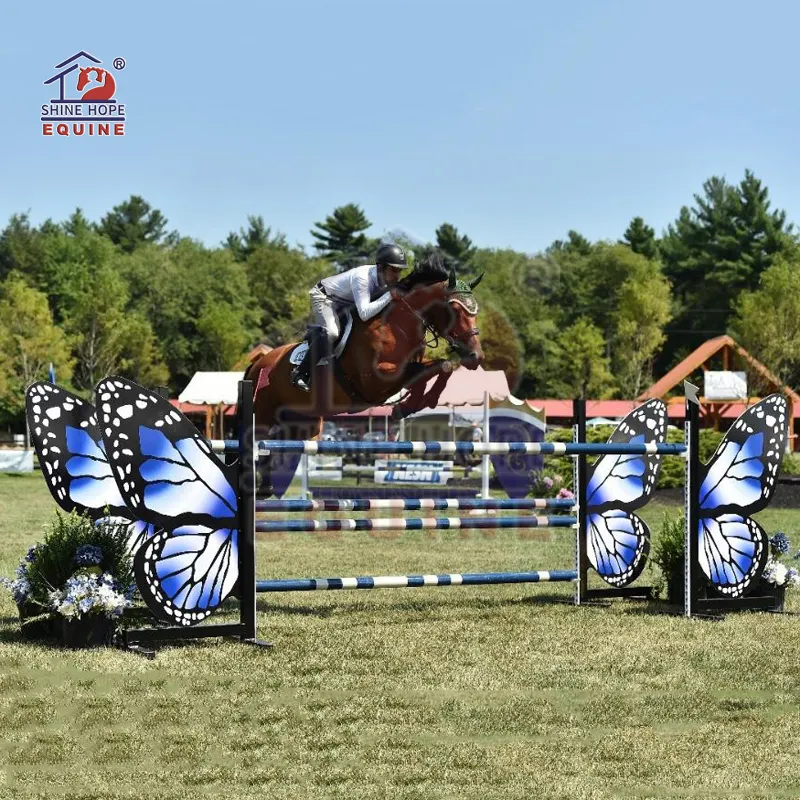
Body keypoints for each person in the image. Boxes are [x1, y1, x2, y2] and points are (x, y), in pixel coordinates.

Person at [291, 243, 410, 391]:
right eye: (394, 270)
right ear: (380, 267)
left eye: (400, 271)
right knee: (332, 333)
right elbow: (365, 313)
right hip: (325, 298)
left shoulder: (385, 279)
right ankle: (301, 373)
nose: (397, 275)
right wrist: (389, 295)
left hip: (346, 303)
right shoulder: (362, 278)